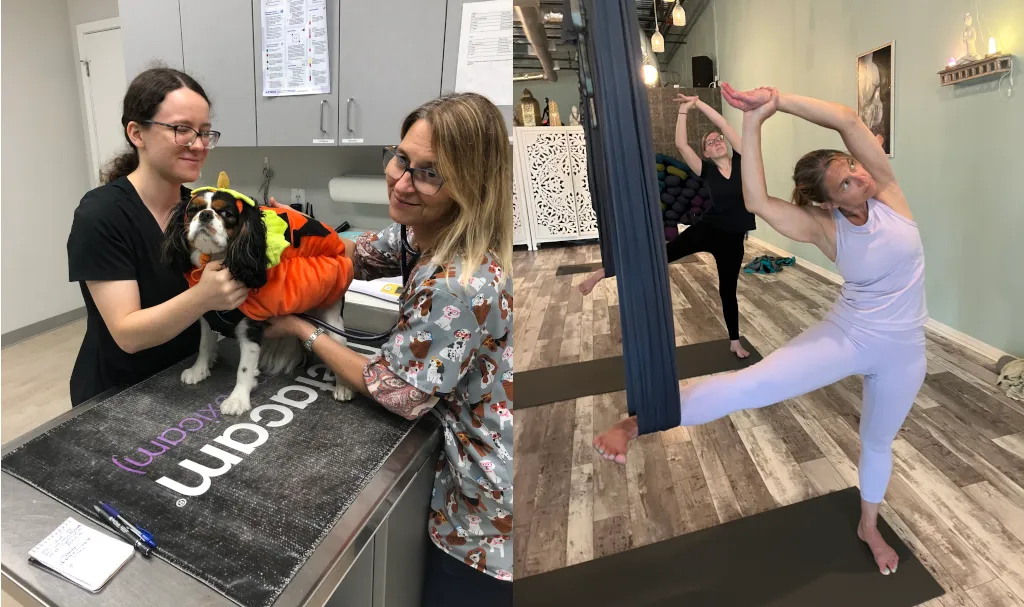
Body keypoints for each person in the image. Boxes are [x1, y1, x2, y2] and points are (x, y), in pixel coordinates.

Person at [593, 84, 927, 578]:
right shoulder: (824, 227)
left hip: (906, 349)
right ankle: (641, 421)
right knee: (757, 383)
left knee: (878, 442)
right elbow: (755, 198)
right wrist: (753, 122)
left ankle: (868, 526)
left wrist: (776, 99)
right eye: (847, 181)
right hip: (851, 335)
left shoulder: (888, 192)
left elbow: (846, 121)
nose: (860, 175)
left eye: (853, 168)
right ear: (829, 202)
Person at [263, 93, 514, 605]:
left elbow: (400, 392)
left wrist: (299, 328)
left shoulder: (460, 281)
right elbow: (357, 251)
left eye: (429, 174)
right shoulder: (420, 234)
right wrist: (283, 236)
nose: (401, 181)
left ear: (470, 185)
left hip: (486, 519)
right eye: (401, 158)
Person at [66, 68, 248, 406]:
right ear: (137, 133)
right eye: (182, 130)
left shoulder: (197, 210)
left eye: (205, 132)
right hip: (120, 394)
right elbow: (128, 334)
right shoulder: (101, 215)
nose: (199, 145)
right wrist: (204, 297)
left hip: (188, 379)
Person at [579, 93, 756, 359]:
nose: (717, 142)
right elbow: (681, 144)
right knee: (658, 257)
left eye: (719, 139)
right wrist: (685, 110)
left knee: (728, 291)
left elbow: (725, 125)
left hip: (732, 240)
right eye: (710, 142)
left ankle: (734, 341)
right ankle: (603, 271)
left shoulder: (742, 161)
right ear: (705, 152)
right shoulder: (706, 170)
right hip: (707, 230)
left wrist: (700, 103)